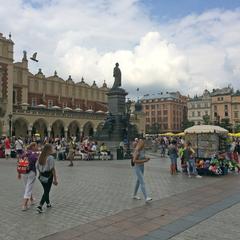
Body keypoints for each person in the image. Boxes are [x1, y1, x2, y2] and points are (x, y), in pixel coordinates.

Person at [36, 144, 58, 213]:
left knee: (46, 190)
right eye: (51, 148)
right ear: (49, 150)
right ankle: (40, 206)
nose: (52, 150)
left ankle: (48, 204)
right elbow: (52, 169)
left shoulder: (40, 156)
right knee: (46, 191)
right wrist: (55, 179)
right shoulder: (50, 157)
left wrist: (40, 174)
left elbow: (37, 166)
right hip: (48, 175)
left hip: (41, 176)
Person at [18, 142, 39, 211]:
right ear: (33, 146)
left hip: (23, 172)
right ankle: (24, 204)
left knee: (27, 186)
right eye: (36, 146)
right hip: (31, 172)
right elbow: (37, 164)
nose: (37, 147)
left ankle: (32, 199)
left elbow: (19, 163)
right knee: (28, 187)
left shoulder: (24, 153)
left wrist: (19, 173)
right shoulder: (34, 154)